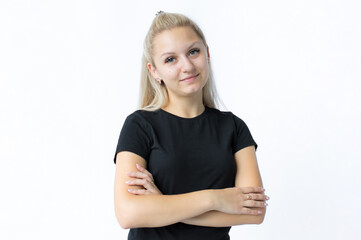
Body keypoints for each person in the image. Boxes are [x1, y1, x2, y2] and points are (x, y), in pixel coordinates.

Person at [113, 11, 269, 240]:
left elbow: (255, 212)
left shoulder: (234, 128)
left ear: (207, 53)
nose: (187, 66)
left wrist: (161, 204)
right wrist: (214, 199)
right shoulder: (139, 126)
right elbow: (128, 214)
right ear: (154, 71)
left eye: (193, 51)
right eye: (170, 59)